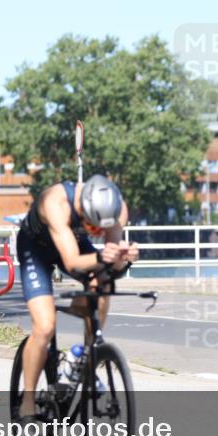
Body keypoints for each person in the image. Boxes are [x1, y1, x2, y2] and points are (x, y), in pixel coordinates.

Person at [16, 174, 139, 420]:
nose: (96, 232)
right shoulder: (56, 202)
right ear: (82, 207)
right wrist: (105, 256)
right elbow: (72, 261)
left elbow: (110, 266)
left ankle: (81, 356)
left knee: (101, 283)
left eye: (100, 229)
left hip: (74, 242)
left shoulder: (117, 209)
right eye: (92, 226)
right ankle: (27, 399)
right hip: (37, 250)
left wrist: (123, 258)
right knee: (45, 326)